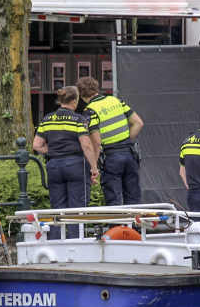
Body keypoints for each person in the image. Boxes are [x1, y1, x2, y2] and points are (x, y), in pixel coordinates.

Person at [33, 86, 99, 239]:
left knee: (57, 208)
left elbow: (37, 145)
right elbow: (87, 145)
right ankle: (75, 243)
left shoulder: (47, 119)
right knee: (77, 209)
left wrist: (53, 151)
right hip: (75, 166)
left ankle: (56, 243)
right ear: (74, 101)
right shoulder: (78, 119)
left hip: (54, 166)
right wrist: (94, 169)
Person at [77, 76, 144, 205]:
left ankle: (116, 226)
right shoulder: (116, 100)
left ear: (81, 95)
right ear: (97, 87)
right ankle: (135, 226)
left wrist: (94, 166)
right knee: (134, 198)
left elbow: (96, 142)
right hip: (130, 154)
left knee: (114, 200)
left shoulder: (90, 111)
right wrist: (125, 140)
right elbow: (138, 123)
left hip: (111, 158)